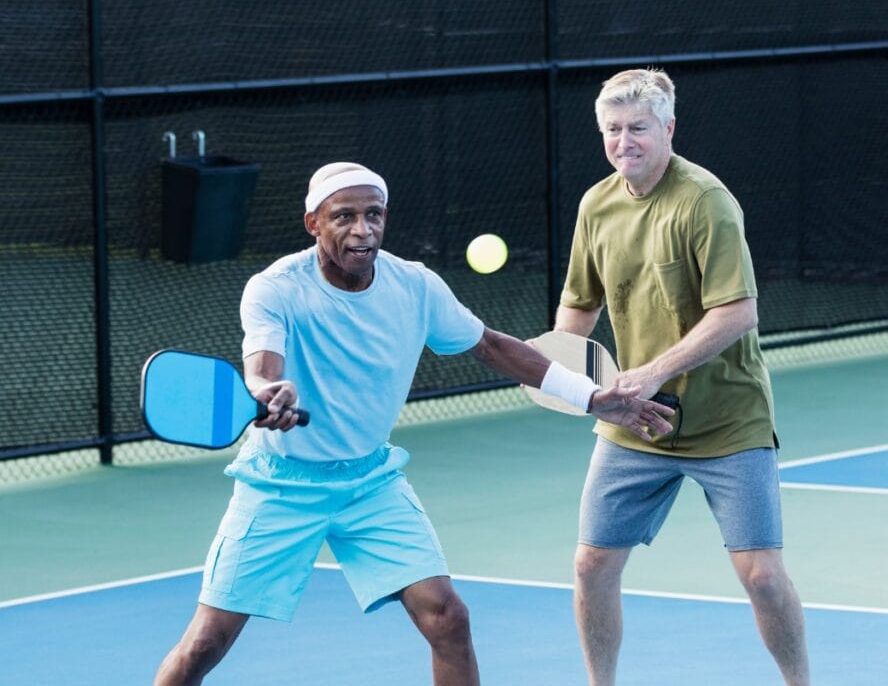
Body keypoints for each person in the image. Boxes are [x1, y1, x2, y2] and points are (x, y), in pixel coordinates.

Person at [153, 161, 675, 686]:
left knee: (448, 617)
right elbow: (263, 366)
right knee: (207, 641)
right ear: (313, 223)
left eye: (374, 215)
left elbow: (492, 346)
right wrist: (268, 392)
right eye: (345, 217)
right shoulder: (276, 289)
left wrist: (593, 398)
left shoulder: (415, 287)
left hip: (369, 483)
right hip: (280, 486)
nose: (363, 230)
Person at [555, 69, 811, 685]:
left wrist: (650, 372)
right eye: (612, 129)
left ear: (668, 128)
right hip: (635, 424)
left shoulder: (705, 202)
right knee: (591, 565)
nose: (625, 142)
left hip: (727, 420)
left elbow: (738, 311)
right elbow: (578, 306)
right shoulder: (597, 204)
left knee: (763, 576)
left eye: (638, 128)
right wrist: (571, 377)